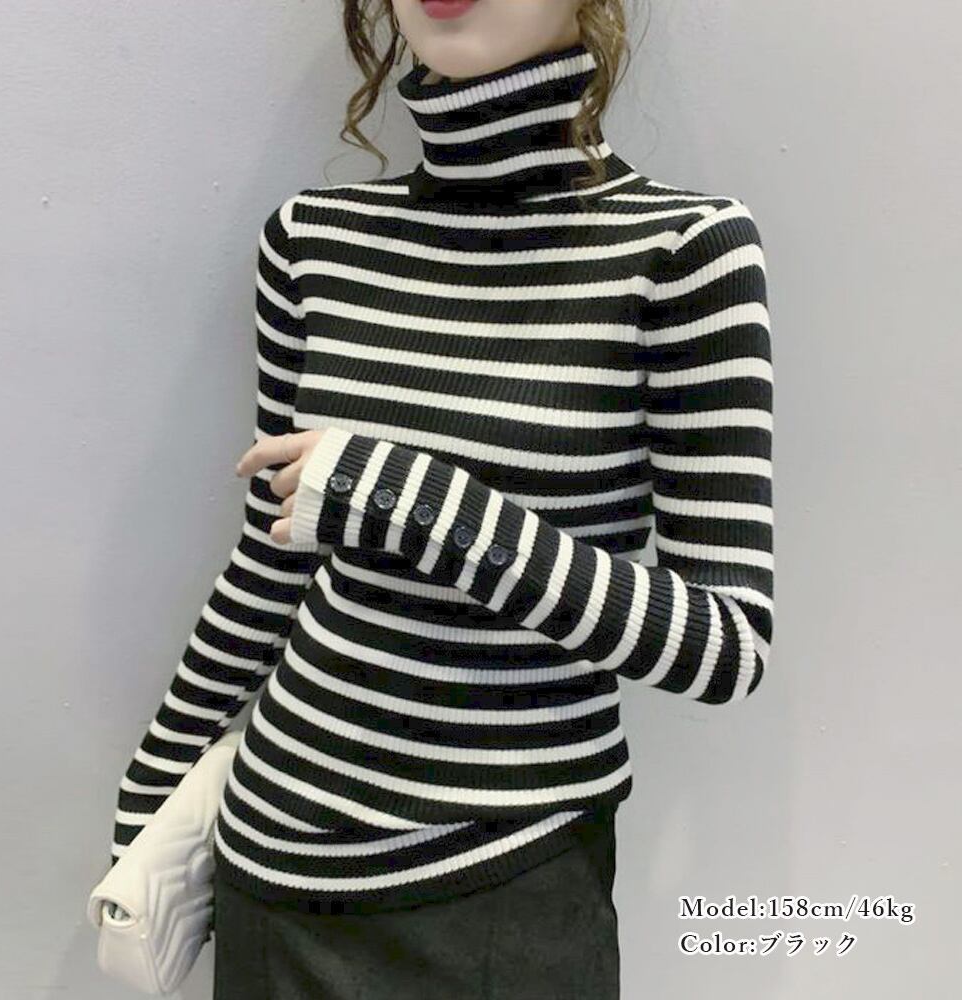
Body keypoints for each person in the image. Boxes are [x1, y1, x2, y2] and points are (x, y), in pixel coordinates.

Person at [109, 1, 773, 996]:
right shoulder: (312, 240)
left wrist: (412, 498)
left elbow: (725, 645)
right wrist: (150, 795)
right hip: (265, 868)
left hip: (501, 889)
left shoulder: (682, 250)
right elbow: (269, 562)